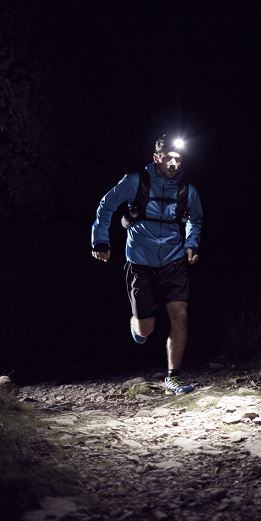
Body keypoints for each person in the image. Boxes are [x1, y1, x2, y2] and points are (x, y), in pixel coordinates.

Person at [91, 134, 203, 395]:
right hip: (140, 262)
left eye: (179, 158)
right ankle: (136, 324)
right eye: (168, 158)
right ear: (156, 157)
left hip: (174, 261)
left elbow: (195, 220)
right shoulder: (135, 181)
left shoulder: (188, 190)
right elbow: (106, 206)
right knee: (145, 329)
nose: (174, 163)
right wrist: (100, 241)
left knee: (180, 314)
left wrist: (191, 245)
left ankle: (173, 377)